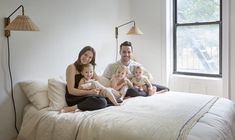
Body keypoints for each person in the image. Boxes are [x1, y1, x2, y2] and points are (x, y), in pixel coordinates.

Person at [102, 41, 169, 97]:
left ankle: (148, 92)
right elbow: (103, 81)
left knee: (166, 89)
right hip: (127, 89)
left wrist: (145, 85)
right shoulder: (111, 66)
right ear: (120, 52)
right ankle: (148, 94)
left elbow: (149, 76)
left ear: (132, 53)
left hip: (141, 85)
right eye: (124, 52)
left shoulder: (136, 65)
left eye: (129, 52)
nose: (127, 54)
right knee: (132, 91)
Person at [61, 46, 107, 113]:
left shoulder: (89, 68)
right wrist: (89, 92)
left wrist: (92, 70)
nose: (86, 58)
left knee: (107, 99)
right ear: (81, 53)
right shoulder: (72, 67)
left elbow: (98, 82)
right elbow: (71, 91)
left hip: (87, 96)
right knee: (102, 102)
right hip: (74, 97)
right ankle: (71, 108)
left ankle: (82, 107)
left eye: (90, 57)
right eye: (85, 55)